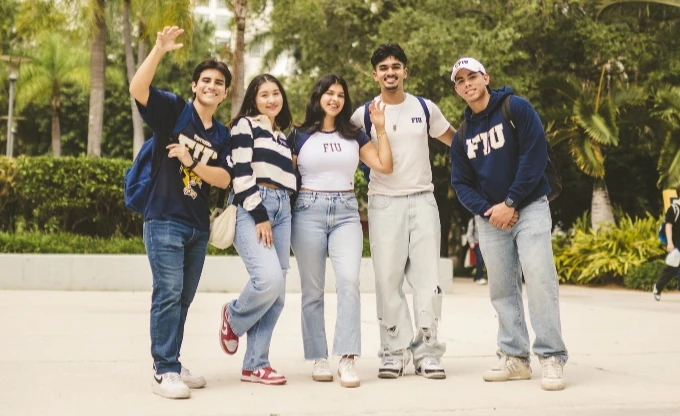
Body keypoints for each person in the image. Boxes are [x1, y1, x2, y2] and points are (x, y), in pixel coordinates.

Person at [449, 57, 568, 391]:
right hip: (491, 220)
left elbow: (535, 155)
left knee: (541, 280)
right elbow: (461, 184)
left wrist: (511, 202)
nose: (467, 83)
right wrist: (491, 211)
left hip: (529, 207)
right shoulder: (461, 137)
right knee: (502, 289)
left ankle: (552, 357)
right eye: (460, 80)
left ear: (486, 77)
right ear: (457, 89)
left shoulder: (516, 108)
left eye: (472, 76)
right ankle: (515, 358)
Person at [129, 26, 233, 399]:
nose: (211, 85)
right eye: (205, 80)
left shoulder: (221, 134)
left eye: (218, 82)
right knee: (168, 292)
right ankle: (164, 369)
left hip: (197, 226)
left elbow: (223, 179)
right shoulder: (174, 111)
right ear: (194, 86)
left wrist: (191, 160)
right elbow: (137, 90)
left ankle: (171, 359)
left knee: (183, 298)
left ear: (225, 92)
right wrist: (158, 49)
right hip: (164, 217)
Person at [350, 43, 456, 380]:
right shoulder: (362, 114)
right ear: (375, 74)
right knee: (387, 280)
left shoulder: (425, 108)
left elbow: (458, 142)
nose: (390, 72)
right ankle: (393, 352)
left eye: (396, 66)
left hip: (423, 199)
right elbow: (344, 155)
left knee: (427, 280)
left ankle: (427, 352)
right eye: (383, 67)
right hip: (383, 203)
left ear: (405, 71)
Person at [290, 74, 393, 388]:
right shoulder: (299, 134)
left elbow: (384, 165)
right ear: (318, 96)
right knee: (312, 291)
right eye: (328, 93)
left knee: (349, 281)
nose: (334, 98)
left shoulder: (355, 134)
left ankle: (347, 358)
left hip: (347, 213)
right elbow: (287, 176)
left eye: (339, 94)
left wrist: (380, 128)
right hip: (307, 210)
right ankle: (318, 356)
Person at [218, 74, 296, 386]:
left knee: (276, 296)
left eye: (276, 93)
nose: (272, 99)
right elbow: (241, 172)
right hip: (253, 206)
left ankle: (255, 365)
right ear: (254, 99)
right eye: (264, 94)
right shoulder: (244, 125)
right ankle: (232, 316)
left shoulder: (281, 135)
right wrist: (261, 213)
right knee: (268, 280)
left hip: (284, 208)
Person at [653, 187, 680, 301]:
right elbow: (668, 226)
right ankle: (658, 288)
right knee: (672, 269)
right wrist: (669, 243)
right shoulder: (673, 209)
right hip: (676, 243)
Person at [466, 217, 487, 285]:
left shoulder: (485, 219)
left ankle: (477, 277)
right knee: (480, 260)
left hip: (484, 243)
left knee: (482, 260)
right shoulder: (473, 221)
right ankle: (479, 277)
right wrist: (471, 242)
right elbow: (469, 233)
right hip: (476, 244)